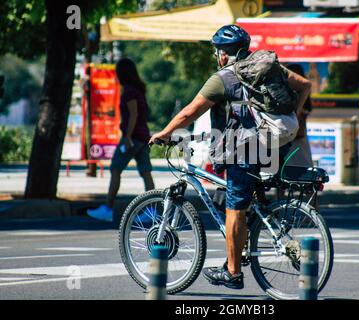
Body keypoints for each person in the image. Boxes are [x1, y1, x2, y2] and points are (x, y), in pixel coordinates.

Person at [149, 25, 311, 289]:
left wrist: (165, 133)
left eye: (217, 51)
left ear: (222, 53)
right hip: (279, 137)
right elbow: (305, 85)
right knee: (246, 197)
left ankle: (234, 273)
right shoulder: (267, 65)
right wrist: (294, 116)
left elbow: (190, 112)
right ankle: (243, 244)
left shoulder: (223, 77)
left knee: (234, 206)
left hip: (249, 145)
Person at [88, 58, 154, 222]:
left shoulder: (130, 91)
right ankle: (152, 211)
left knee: (115, 169)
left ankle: (108, 208)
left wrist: (127, 137)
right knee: (146, 172)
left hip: (133, 138)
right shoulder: (138, 89)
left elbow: (133, 115)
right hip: (143, 136)